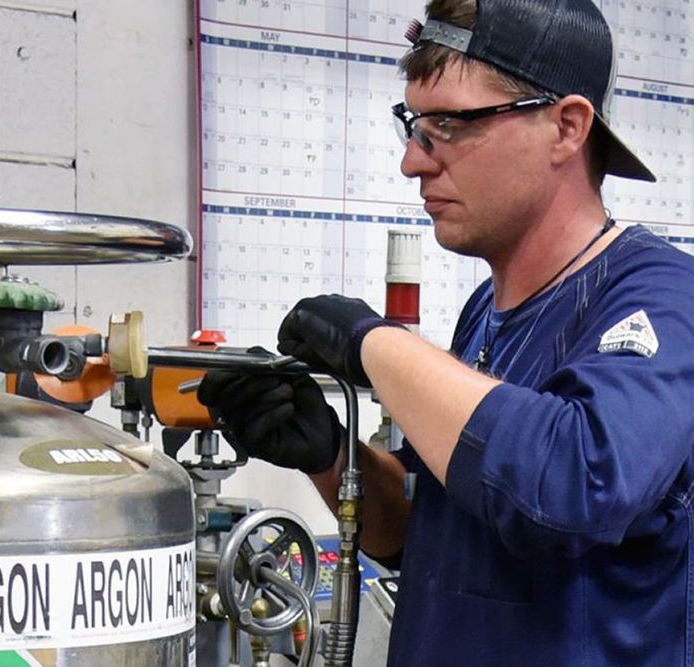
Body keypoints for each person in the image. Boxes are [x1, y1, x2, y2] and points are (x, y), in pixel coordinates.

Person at [197, 0, 694, 664]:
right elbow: (423, 532)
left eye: (450, 124)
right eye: (414, 123)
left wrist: (373, 343)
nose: (413, 161)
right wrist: (331, 458)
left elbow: (577, 482)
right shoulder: (484, 311)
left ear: (567, 127)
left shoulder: (662, 295)